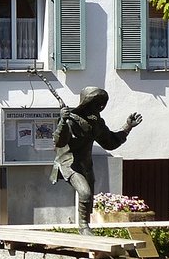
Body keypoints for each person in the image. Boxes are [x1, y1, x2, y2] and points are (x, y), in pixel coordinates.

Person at [50, 86, 142, 234]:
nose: (99, 107)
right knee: (85, 193)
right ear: (86, 103)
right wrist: (62, 121)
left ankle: (85, 227)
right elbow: (59, 142)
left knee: (89, 198)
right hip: (69, 163)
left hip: (86, 165)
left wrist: (127, 127)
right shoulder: (71, 120)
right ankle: (83, 228)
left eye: (101, 103)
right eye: (96, 102)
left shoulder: (96, 124)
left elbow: (110, 142)